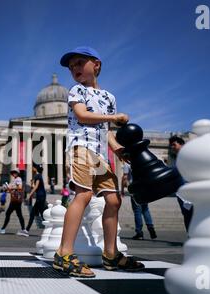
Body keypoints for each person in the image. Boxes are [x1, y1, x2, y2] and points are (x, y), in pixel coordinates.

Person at [53, 46, 145, 278]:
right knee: (83, 195)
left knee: (113, 200)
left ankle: (111, 254)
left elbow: (106, 131)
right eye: (71, 66)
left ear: (96, 64)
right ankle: (64, 254)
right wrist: (114, 117)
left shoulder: (109, 97)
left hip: (100, 155)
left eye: (79, 62)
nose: (74, 68)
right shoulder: (76, 90)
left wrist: (118, 149)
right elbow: (83, 116)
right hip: (81, 148)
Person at [121, 163, 157, 240]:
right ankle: (151, 228)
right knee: (145, 209)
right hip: (144, 189)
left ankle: (139, 233)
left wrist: (122, 190)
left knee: (137, 211)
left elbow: (125, 177)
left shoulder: (127, 164)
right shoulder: (142, 160)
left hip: (135, 189)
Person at [169, 135, 194, 232]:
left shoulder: (189, 156)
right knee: (187, 214)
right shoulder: (177, 158)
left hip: (190, 190)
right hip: (181, 192)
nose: (172, 147)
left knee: (190, 214)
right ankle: (191, 234)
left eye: (174, 145)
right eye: (171, 145)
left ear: (181, 144)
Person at [0, 169, 28, 237]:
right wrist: (7, 187)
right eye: (12, 173)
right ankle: (23, 229)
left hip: (15, 200)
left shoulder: (18, 179)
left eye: (15, 173)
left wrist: (11, 187)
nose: (13, 174)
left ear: (17, 173)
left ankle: (3, 229)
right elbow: (10, 188)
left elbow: (20, 187)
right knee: (19, 214)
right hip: (15, 200)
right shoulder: (15, 180)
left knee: (8, 213)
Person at [25, 165, 47, 232]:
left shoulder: (37, 176)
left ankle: (50, 227)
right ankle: (26, 230)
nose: (32, 168)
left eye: (33, 167)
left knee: (41, 213)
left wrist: (30, 194)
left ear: (36, 169)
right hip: (41, 196)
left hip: (40, 196)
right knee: (34, 213)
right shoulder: (39, 175)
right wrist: (32, 183)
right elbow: (36, 186)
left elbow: (36, 186)